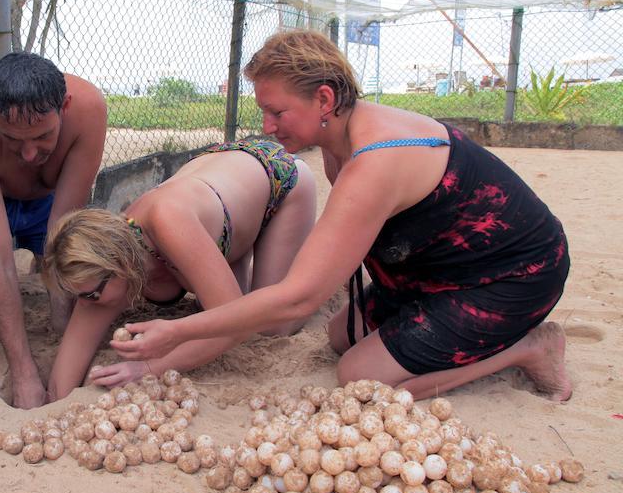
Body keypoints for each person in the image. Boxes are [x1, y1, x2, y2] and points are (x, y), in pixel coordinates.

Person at [111, 30, 571, 402]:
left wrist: (176, 332)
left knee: (359, 375)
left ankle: (525, 349)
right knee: (339, 336)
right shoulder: (340, 140)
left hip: (510, 276)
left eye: (277, 112)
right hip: (432, 268)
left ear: (325, 99)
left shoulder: (376, 160)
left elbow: (297, 299)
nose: (268, 127)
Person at [41, 135, 317, 401]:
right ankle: (237, 247)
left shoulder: (168, 221)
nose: (86, 304)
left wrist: (148, 369)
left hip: (276, 176)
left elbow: (236, 327)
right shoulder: (104, 272)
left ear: (120, 265)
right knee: (225, 299)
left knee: (270, 326)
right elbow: (70, 360)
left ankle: (305, 266)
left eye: (90, 295)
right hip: (222, 188)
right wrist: (56, 406)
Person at [0, 52, 107, 409]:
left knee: (64, 306)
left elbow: (63, 227)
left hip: (48, 199)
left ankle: (36, 264)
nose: (28, 154)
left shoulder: (89, 110)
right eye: (12, 139)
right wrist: (23, 371)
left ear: (65, 106)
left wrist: (61, 322)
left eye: (42, 137)